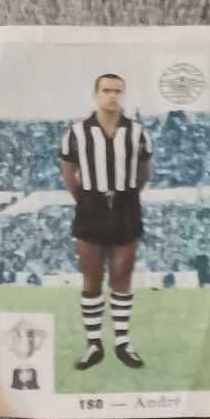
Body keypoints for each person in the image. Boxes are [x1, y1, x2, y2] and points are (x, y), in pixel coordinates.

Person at [59, 73, 151, 371]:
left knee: (122, 275)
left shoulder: (138, 132)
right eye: (106, 90)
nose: (112, 95)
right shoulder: (76, 133)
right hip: (91, 206)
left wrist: (127, 196)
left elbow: (143, 172)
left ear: (123, 95)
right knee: (92, 277)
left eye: (117, 91)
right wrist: (86, 199)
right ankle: (94, 344)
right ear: (96, 94)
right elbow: (68, 172)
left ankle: (122, 342)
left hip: (126, 206)